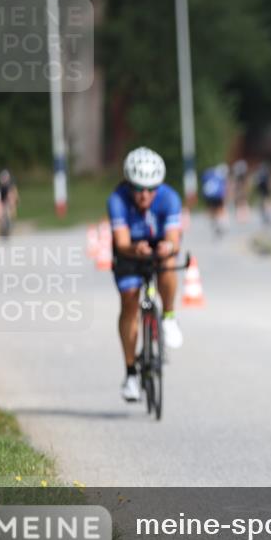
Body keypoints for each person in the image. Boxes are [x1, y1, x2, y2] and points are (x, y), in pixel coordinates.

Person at [108, 147, 184, 402]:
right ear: (129, 184)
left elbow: (174, 238)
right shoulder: (117, 200)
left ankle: (169, 317)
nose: (144, 195)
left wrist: (168, 247)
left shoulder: (170, 198)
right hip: (130, 250)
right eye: (138, 188)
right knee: (129, 301)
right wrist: (134, 249)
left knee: (169, 261)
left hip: (158, 247)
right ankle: (130, 374)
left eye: (151, 189)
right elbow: (121, 242)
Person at [200, 163, 228, 237]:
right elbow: (223, 187)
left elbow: (203, 185)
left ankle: (215, 223)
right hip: (217, 195)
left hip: (208, 196)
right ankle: (220, 223)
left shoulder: (206, 175)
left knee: (212, 209)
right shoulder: (220, 175)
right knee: (220, 209)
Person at [0, 169, 18, 237]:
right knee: (0, 212)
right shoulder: (0, 187)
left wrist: (13, 201)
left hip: (8, 201)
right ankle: (1, 226)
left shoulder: (11, 185)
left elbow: (14, 194)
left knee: (11, 207)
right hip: (2, 200)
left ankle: (11, 221)